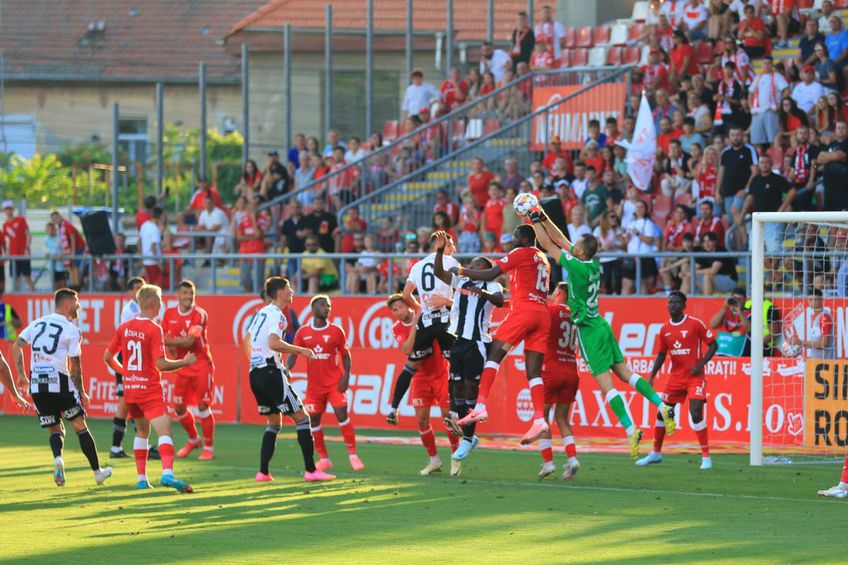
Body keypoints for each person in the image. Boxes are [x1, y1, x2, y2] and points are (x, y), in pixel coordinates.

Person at [529, 210, 676, 459]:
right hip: (601, 323)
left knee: (606, 386)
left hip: (588, 329)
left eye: (576, 246)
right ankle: (662, 406)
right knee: (626, 373)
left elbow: (546, 244)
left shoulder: (576, 268)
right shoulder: (593, 265)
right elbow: (560, 238)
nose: (572, 245)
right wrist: (543, 216)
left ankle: (631, 429)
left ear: (581, 252)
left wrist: (532, 222)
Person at [11, 289, 112, 487]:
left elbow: (17, 345)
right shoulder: (71, 330)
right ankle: (97, 473)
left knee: (55, 428)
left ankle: (58, 459)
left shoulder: (37, 323)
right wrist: (81, 390)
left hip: (37, 382)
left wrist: (22, 374)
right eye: (77, 302)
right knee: (79, 427)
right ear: (67, 305)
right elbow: (75, 367)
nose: (79, 306)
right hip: (58, 380)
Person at [243, 277, 334, 483]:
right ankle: (311, 470)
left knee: (274, 422)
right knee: (302, 418)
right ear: (279, 293)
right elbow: (273, 342)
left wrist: (259, 362)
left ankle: (263, 472)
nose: (292, 291)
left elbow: (246, 340)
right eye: (288, 288)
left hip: (255, 374)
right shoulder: (277, 314)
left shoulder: (261, 313)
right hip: (269, 372)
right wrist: (300, 350)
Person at [104, 285, 194, 492]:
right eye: (161, 299)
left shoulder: (124, 327)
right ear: (154, 304)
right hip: (149, 389)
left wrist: (126, 373)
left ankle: (142, 479)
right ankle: (167, 475)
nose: (162, 303)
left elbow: (107, 357)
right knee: (165, 430)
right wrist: (184, 361)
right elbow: (161, 364)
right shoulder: (154, 329)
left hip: (131, 389)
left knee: (142, 431)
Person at [432, 245, 504, 471]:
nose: (470, 267)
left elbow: (500, 300)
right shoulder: (461, 281)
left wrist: (482, 293)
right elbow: (439, 273)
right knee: (457, 388)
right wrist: (439, 251)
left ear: (485, 269)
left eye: (475, 265)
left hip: (478, 342)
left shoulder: (492, 284)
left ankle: (467, 438)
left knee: (472, 389)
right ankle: (468, 436)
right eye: (470, 264)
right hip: (458, 340)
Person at [637, 292, 718, 470]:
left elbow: (714, 344)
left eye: (676, 302)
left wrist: (701, 364)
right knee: (663, 413)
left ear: (684, 306)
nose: (672, 305)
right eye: (670, 302)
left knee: (696, 413)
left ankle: (706, 457)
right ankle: (656, 453)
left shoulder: (695, 324)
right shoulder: (665, 329)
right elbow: (660, 355)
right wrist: (651, 376)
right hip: (675, 378)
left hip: (694, 377)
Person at [385, 233, 460, 425]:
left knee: (410, 366)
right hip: (445, 321)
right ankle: (454, 413)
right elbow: (463, 292)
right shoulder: (450, 261)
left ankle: (393, 408)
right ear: (439, 244)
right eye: (450, 243)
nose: (453, 247)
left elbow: (406, 294)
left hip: (426, 322)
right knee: (457, 364)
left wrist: (421, 308)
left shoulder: (417, 266)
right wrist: (447, 301)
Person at [287, 295, 364, 472]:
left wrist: (346, 376)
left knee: (341, 415)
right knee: (313, 420)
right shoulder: (303, 332)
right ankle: (324, 458)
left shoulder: (336, 331)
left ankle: (353, 455)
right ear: (313, 309)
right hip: (314, 386)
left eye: (328, 306)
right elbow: (293, 353)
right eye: (322, 305)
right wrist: (288, 369)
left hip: (334, 383)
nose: (326, 308)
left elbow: (345, 354)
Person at [387, 294, 459, 475]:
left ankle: (456, 457)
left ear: (409, 305)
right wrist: (414, 325)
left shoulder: (428, 317)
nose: (398, 312)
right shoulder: (397, 328)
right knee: (422, 420)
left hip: (441, 373)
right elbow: (407, 350)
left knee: (448, 417)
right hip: (420, 377)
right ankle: (434, 460)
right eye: (394, 310)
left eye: (400, 307)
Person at [161, 280, 216, 460]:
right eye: (185, 293)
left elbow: (188, 341)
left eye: (191, 293)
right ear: (177, 295)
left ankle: (209, 447)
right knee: (178, 407)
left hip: (201, 364)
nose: (189, 297)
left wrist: (167, 342)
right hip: (183, 365)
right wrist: (169, 346)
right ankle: (194, 439)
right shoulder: (169, 314)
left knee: (202, 406)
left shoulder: (199, 314)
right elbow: (164, 337)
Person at [110, 277, 159, 460]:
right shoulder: (131, 310)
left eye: (143, 288)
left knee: (133, 403)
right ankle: (116, 447)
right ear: (131, 291)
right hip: (128, 359)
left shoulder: (139, 309)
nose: (140, 291)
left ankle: (140, 444)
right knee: (125, 402)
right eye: (137, 288)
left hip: (133, 359)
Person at [536, 282, 582, 480]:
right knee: (563, 418)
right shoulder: (577, 316)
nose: (552, 294)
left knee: (542, 417)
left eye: (554, 291)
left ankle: (548, 463)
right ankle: (572, 460)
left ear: (560, 293)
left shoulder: (551, 310)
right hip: (571, 370)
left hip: (551, 369)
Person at [717, 124, 759, 218]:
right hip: (728, 192)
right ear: (729, 137)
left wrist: (746, 189)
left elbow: (755, 172)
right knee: (732, 222)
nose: (735, 138)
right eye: (733, 135)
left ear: (742, 136)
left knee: (741, 219)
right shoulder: (725, 152)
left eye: (738, 135)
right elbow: (721, 173)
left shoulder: (749, 150)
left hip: (744, 193)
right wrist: (717, 191)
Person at [748, 57, 789, 149]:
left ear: (772, 65)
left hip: (771, 110)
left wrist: (779, 104)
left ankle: (774, 160)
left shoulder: (777, 76)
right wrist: (751, 106)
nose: (766, 65)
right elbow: (750, 92)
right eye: (765, 63)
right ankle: (761, 160)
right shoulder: (758, 77)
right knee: (756, 140)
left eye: (768, 63)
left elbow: (786, 89)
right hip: (758, 111)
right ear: (761, 65)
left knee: (773, 139)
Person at [788, 289, 835, 359]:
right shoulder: (815, 316)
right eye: (810, 300)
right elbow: (815, 343)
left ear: (822, 300)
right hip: (817, 361)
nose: (812, 302)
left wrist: (802, 342)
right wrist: (798, 343)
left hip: (826, 362)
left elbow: (824, 344)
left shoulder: (824, 317)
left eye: (815, 299)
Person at [709, 287, 752, 356]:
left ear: (745, 301)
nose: (736, 301)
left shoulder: (749, 313)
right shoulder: (725, 311)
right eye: (734, 298)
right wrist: (725, 307)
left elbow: (749, 329)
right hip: (721, 352)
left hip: (739, 354)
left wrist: (739, 311)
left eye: (739, 299)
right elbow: (713, 325)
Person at [236, 199, 268, 293]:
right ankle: (249, 296)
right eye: (251, 206)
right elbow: (239, 237)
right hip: (245, 253)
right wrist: (253, 238)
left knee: (259, 282)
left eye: (255, 206)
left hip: (259, 253)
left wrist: (253, 219)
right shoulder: (243, 219)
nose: (253, 208)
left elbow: (259, 234)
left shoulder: (263, 220)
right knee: (245, 280)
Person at [816, 120, 848, 211]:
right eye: (838, 128)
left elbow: (837, 156)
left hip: (842, 187)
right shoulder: (831, 144)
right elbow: (818, 159)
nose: (841, 130)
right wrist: (832, 157)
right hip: (828, 186)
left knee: (841, 217)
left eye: (843, 128)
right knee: (829, 217)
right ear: (835, 130)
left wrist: (826, 157)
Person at [3, 201, 33, 291]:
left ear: (13, 209)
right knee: (16, 277)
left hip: (23, 253)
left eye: (10, 209)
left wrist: (27, 248)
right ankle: (17, 298)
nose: (8, 211)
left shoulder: (20, 219)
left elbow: (28, 235)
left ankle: (33, 295)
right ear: (4, 211)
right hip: (13, 255)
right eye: (6, 209)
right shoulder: (5, 225)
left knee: (27, 276)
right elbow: (7, 240)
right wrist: (7, 253)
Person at [51, 210, 86, 289]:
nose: (55, 220)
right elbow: (64, 243)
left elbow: (72, 237)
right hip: (72, 249)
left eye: (56, 218)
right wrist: (63, 253)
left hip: (78, 248)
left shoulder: (66, 225)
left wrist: (72, 252)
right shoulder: (60, 227)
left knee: (75, 266)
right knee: (71, 267)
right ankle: (73, 284)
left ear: (59, 217)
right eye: (53, 219)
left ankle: (77, 286)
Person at [139, 207, 164, 287]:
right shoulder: (155, 229)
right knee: (156, 286)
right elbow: (153, 247)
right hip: (153, 261)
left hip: (146, 260)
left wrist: (142, 257)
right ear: (160, 216)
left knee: (149, 284)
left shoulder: (144, 225)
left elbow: (139, 242)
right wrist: (158, 261)